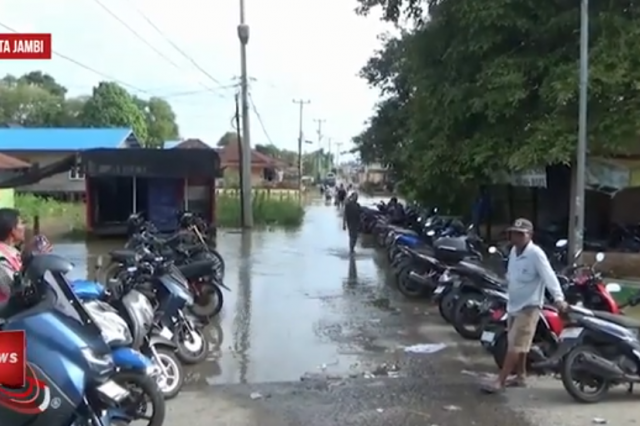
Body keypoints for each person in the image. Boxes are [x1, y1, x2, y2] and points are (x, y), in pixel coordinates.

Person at [482, 218, 567, 393]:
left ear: (530, 235)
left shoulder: (536, 254)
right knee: (520, 344)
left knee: (514, 344)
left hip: (529, 306)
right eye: (514, 233)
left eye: (521, 234)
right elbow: (512, 274)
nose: (517, 237)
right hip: (513, 305)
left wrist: (559, 298)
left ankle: (500, 381)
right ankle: (521, 376)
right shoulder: (514, 251)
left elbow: (549, 276)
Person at [0, 208, 51, 303]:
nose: (24, 227)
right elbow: (14, 291)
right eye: (21, 223)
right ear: (12, 230)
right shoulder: (2, 259)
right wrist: (33, 261)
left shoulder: (13, 253)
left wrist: (36, 258)